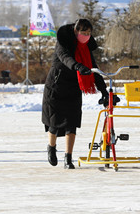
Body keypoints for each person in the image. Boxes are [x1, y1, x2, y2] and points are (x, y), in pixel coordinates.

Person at [41, 19, 109, 169]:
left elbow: (94, 69)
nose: (86, 35)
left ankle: (68, 158)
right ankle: (51, 147)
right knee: (54, 123)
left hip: (74, 88)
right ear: (76, 31)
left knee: (71, 124)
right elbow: (65, 58)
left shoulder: (86, 48)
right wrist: (78, 66)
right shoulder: (63, 42)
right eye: (83, 32)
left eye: (89, 33)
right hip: (56, 87)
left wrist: (103, 90)